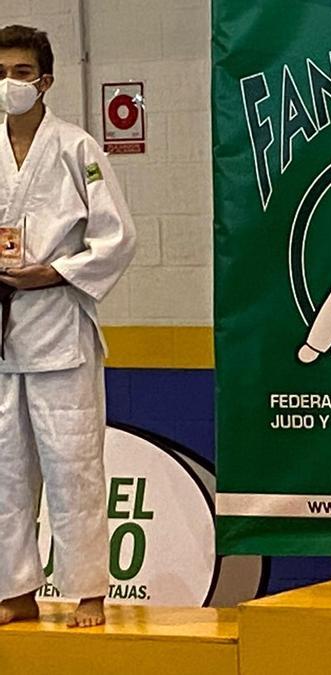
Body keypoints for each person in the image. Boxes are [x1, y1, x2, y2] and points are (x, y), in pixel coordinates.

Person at [0, 25, 136, 628]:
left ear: (45, 80)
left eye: (22, 72)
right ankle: (14, 591)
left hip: (59, 329)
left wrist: (53, 271)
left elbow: (117, 238)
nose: (10, 83)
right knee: (4, 471)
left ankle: (87, 592)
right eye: (1, 71)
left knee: (73, 466)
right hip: (2, 335)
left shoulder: (77, 147)